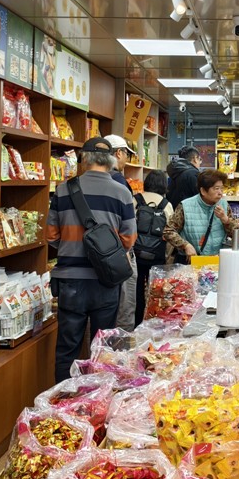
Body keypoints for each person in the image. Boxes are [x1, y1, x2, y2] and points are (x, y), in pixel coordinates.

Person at [47, 136, 136, 383]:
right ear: (111, 161)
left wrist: (70, 248)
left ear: (83, 159)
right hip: (105, 280)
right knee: (102, 347)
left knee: (67, 347)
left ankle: (62, 402)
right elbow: (128, 240)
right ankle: (96, 403)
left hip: (69, 281)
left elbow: (51, 235)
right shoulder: (122, 192)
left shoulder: (64, 189)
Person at [104, 134, 138, 331]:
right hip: (120, 255)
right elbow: (129, 226)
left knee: (104, 314)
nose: (127, 159)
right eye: (127, 154)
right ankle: (120, 357)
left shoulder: (80, 183)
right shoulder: (120, 183)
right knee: (124, 310)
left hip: (97, 256)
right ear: (118, 153)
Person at [164, 169, 234, 261]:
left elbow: (235, 234)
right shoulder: (185, 206)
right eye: (216, 188)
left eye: (222, 188)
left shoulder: (224, 205)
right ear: (203, 191)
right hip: (191, 261)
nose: (220, 192)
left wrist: (226, 220)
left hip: (217, 261)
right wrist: (185, 245)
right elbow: (168, 231)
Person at [134, 170, 175, 326]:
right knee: (156, 293)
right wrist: (167, 256)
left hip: (136, 254)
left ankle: (137, 322)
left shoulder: (136, 200)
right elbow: (170, 234)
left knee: (137, 292)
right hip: (157, 256)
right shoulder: (166, 205)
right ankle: (153, 323)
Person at [167, 145, 202, 209]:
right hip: (188, 213)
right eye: (200, 159)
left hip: (174, 214)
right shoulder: (194, 174)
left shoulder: (174, 173)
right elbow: (201, 198)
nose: (200, 162)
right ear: (195, 159)